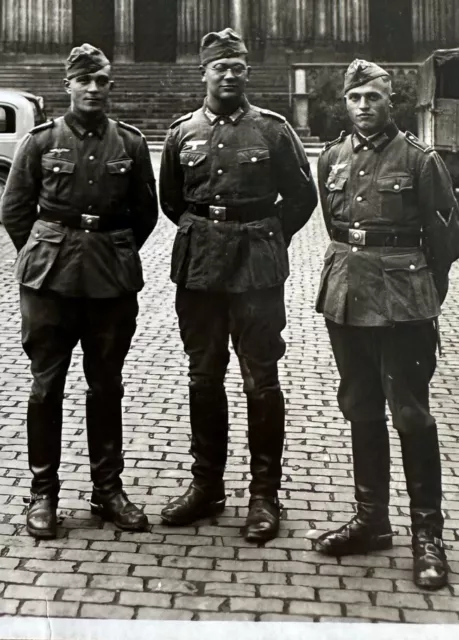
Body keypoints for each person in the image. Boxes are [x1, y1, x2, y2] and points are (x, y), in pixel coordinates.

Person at [159, 28, 317, 543]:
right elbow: (172, 201)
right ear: (202, 73)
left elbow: (300, 196)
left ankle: (264, 496)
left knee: (260, 380)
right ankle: (206, 486)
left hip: (256, 272)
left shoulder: (272, 130)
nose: (228, 76)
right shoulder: (183, 132)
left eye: (237, 68)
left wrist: (267, 237)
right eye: (219, 68)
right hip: (200, 270)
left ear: (247, 73)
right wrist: (207, 233)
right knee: (204, 377)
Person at [2, 43, 158, 539]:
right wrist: (45, 250)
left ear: (111, 87)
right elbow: (14, 209)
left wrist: (113, 251)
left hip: (110, 284)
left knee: (106, 384)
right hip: (50, 283)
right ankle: (43, 492)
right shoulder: (41, 141)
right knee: (46, 386)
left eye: (102, 81)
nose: (93, 89)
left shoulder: (131, 144)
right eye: (84, 80)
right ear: (67, 85)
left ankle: (107, 490)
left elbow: (145, 213)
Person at [314, 58, 459, 589]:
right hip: (347, 298)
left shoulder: (421, 160)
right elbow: (336, 225)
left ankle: (428, 535)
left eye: (373, 98)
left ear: (389, 101)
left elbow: (445, 241)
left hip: (403, 302)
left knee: (411, 413)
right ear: (345, 103)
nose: (363, 107)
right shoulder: (332, 155)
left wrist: (422, 293)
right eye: (355, 99)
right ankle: (372, 519)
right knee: (360, 406)